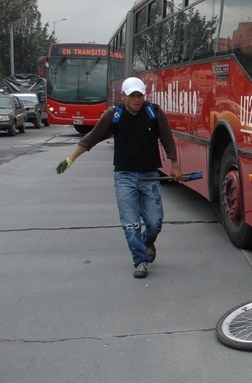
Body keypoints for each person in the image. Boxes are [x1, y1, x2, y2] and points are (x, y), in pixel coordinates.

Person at [56, 77, 181, 279]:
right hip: (125, 177)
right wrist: (70, 160)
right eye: (132, 96)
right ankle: (140, 260)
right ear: (123, 96)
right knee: (131, 224)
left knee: (155, 222)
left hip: (150, 176)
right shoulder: (114, 114)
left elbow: (167, 138)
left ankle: (147, 243)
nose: (137, 100)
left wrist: (175, 166)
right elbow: (92, 138)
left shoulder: (153, 112)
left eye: (140, 95)